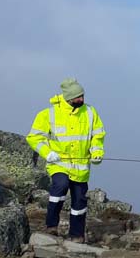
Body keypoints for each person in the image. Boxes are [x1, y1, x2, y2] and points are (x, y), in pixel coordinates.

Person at [26, 78, 105, 243]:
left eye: (82, 96)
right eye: (78, 97)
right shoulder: (48, 114)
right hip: (58, 163)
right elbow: (34, 138)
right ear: (68, 98)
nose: (81, 100)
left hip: (81, 167)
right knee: (60, 187)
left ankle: (76, 235)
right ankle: (51, 226)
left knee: (80, 200)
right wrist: (48, 154)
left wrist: (97, 152)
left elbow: (98, 136)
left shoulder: (90, 112)